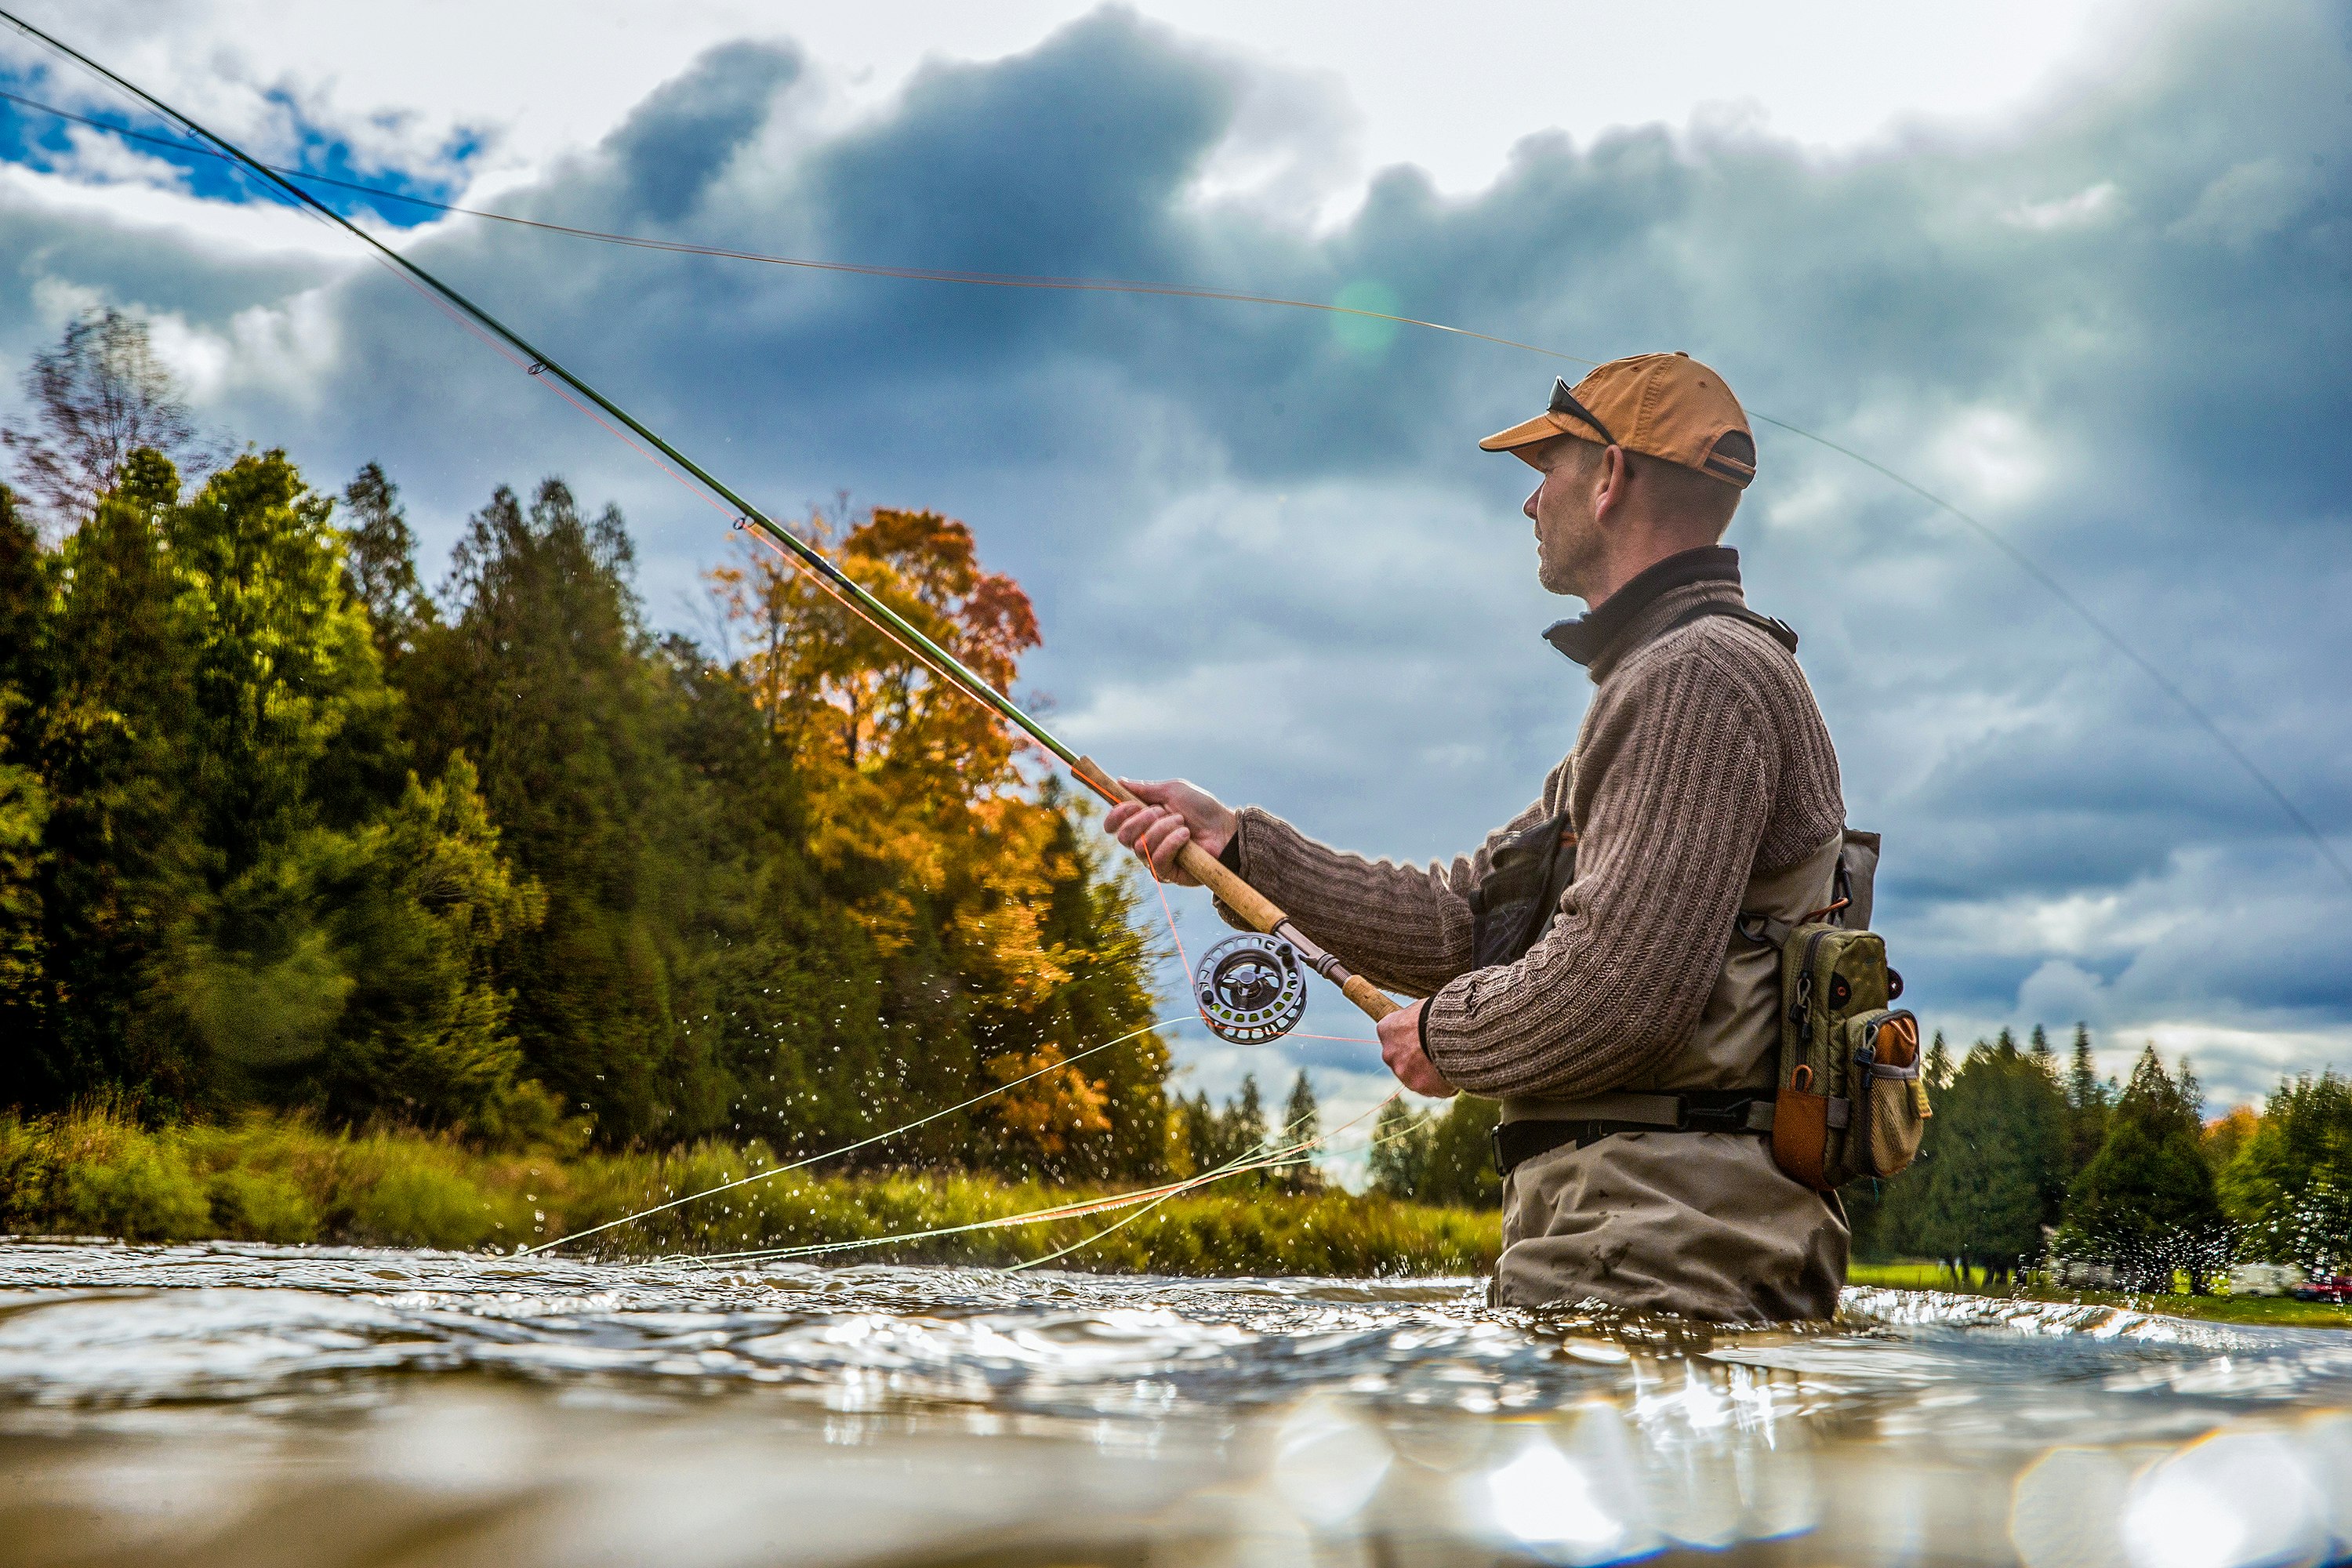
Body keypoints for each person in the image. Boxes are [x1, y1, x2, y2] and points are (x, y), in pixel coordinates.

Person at [1105, 352, 1850, 1321]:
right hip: (1633, 1247)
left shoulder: (1696, 677)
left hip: (1661, 1259)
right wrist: (1242, 843)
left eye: (1550, 469)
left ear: (1612, 477)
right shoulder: (1665, 681)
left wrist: (1447, 1035)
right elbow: (1470, 921)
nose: (1532, 504)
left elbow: (1623, 988)